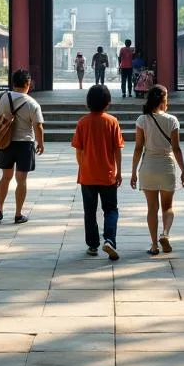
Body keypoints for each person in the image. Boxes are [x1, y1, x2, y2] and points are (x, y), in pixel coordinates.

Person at [130, 84, 184, 255]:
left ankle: (154, 245)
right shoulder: (172, 120)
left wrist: (133, 171)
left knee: (152, 209)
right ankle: (166, 234)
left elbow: (138, 148)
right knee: (167, 207)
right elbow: (176, 149)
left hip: (148, 167)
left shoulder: (142, 120)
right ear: (164, 100)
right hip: (167, 167)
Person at [0, 68, 44, 224]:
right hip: (25, 144)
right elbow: (38, 126)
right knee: (21, 180)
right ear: (27, 83)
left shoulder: (1, 96)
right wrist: (41, 143)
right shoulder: (32, 103)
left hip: (5, 141)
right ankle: (18, 214)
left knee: (5, 177)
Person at [71, 83, 124, 259]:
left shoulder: (82, 123)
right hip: (108, 175)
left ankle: (93, 245)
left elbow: (78, 151)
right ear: (107, 102)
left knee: (90, 211)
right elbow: (117, 150)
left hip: (87, 176)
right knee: (110, 210)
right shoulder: (112, 122)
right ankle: (109, 240)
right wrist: (118, 171)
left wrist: (83, 166)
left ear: (88, 102)